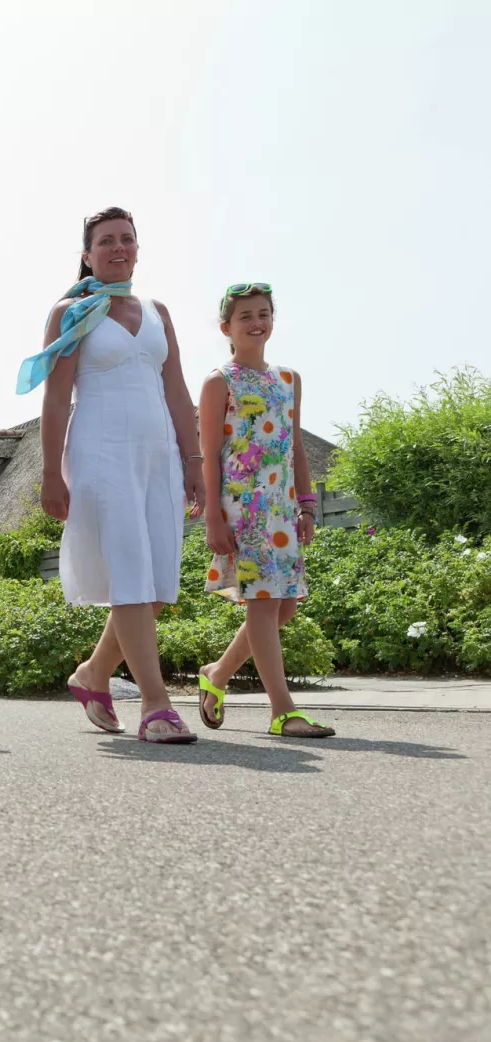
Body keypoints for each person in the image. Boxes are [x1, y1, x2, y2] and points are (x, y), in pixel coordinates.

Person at [21, 207, 203, 743]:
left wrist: (194, 464)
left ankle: (93, 674)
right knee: (129, 572)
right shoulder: (70, 313)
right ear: (87, 254)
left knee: (154, 586)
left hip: (158, 458)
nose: (118, 248)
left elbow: (177, 391)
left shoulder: (158, 312)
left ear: (138, 248)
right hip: (100, 452)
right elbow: (55, 400)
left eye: (127, 239)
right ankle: (156, 705)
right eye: (106, 241)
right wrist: (50, 474)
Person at [195, 284, 335, 737]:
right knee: (263, 603)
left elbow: (295, 449)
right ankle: (283, 712)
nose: (257, 323)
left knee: (285, 607)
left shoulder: (289, 379)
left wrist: (308, 506)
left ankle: (216, 675)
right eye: (245, 317)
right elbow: (209, 454)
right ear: (226, 328)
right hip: (243, 508)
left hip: (282, 509)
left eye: (264, 314)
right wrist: (213, 516)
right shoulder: (220, 381)